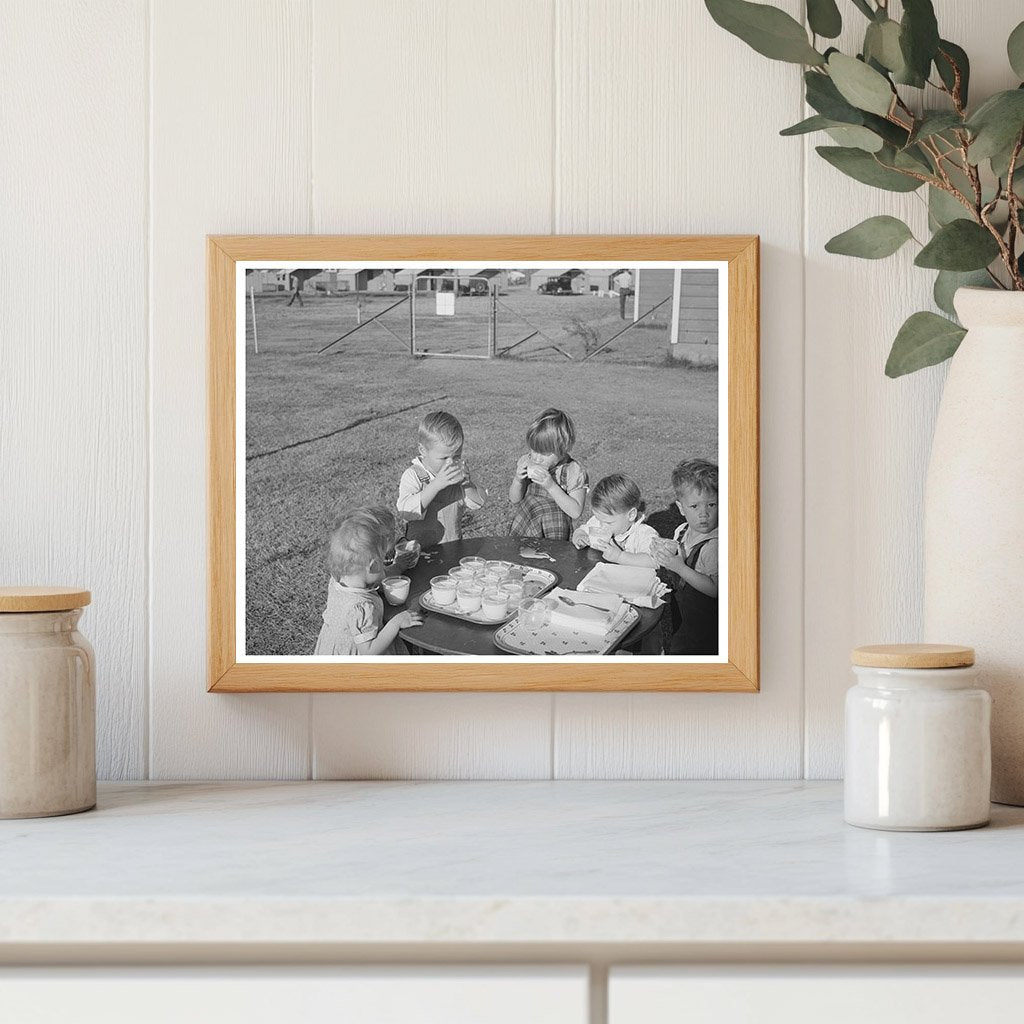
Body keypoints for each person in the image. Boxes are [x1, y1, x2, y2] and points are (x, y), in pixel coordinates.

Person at [313, 507, 422, 655]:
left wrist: (398, 566)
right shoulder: (362, 607)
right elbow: (369, 651)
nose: (384, 567)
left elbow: (380, 576)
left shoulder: (338, 581)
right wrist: (396, 623)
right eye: (382, 561)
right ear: (373, 565)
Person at [651, 459, 719, 656]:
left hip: (707, 629)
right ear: (681, 508)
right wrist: (668, 549)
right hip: (683, 619)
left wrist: (680, 567)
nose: (704, 514)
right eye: (694, 506)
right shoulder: (682, 531)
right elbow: (681, 555)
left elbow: (716, 590)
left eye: (711, 504)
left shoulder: (714, 545)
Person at [396, 411, 485, 547]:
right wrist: (436, 485)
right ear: (423, 450)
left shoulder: (459, 476)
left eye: (456, 456)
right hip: (419, 550)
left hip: (452, 547)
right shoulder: (414, 475)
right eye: (444, 458)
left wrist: (467, 484)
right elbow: (406, 512)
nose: (450, 463)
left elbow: (478, 503)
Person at [508, 408, 588, 540]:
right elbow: (514, 499)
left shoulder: (573, 471)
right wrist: (518, 480)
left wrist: (551, 486)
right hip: (527, 524)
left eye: (544, 454)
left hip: (553, 531)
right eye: (534, 450)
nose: (537, 458)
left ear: (563, 449)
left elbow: (576, 512)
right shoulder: (527, 461)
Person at [571, 473, 658, 566]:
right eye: (599, 520)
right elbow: (580, 531)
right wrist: (580, 537)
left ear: (631, 515)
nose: (602, 526)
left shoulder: (644, 534)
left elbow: (654, 561)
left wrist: (619, 557)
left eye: (609, 523)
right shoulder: (600, 522)